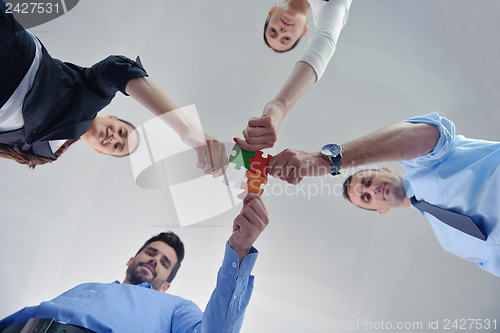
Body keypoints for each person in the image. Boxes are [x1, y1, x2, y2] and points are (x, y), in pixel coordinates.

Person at [0, 0, 226, 174]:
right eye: (121, 132)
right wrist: (188, 131)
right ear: (112, 117)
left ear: (101, 151)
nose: (114, 138)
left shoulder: (47, 154)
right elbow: (117, 69)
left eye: (117, 146)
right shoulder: (92, 94)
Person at [267, 112, 500, 277]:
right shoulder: (449, 241)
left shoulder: (424, 163)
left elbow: (425, 135)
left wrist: (330, 161)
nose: (372, 189)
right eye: (366, 197)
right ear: (382, 210)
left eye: (367, 181)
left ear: (385, 169)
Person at [0, 192, 269, 333]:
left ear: (166, 286)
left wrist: (239, 250)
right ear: (131, 259)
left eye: (165, 263)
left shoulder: (177, 307)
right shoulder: (87, 286)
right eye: (151, 252)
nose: (155, 260)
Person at [235, 0, 352, 152]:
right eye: (287, 39)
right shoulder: (329, 8)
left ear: (271, 12)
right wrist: (280, 106)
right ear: (304, 31)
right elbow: (325, 39)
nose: (282, 32)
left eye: (273, 31)